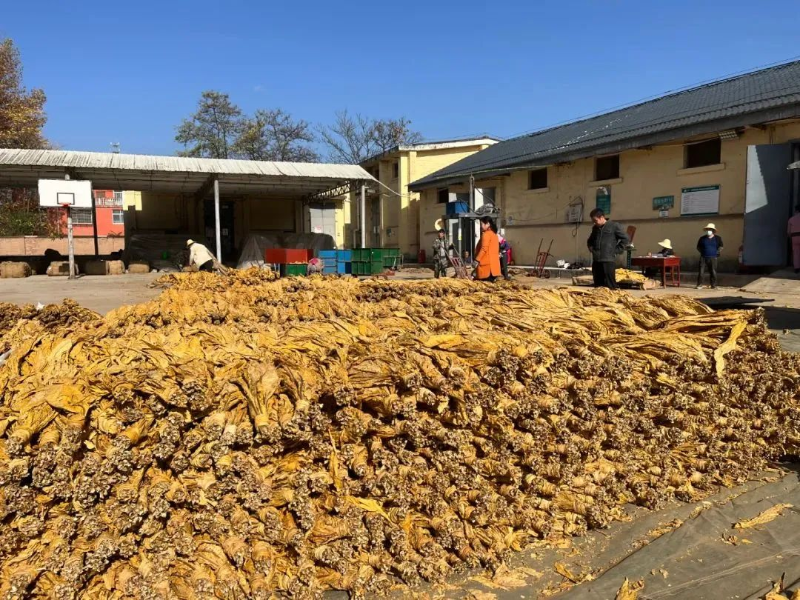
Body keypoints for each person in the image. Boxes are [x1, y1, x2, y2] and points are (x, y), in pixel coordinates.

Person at [586, 208, 629, 289]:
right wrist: (591, 249)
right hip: (596, 262)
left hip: (608, 261)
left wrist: (616, 250)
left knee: (611, 286)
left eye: (595, 220)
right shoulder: (595, 228)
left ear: (602, 217)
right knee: (598, 286)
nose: (594, 222)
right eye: (593, 221)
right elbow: (590, 241)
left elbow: (626, 239)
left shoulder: (614, 226)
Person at [474, 216, 502, 282]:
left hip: (486, 268)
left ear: (488, 224)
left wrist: (477, 260)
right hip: (494, 267)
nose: (481, 226)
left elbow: (484, 249)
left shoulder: (486, 234)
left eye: (482, 224)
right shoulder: (494, 234)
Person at [696, 223, 723, 289]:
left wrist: (717, 252)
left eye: (710, 229)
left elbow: (721, 246)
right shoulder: (702, 238)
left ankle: (713, 285)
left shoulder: (718, 238)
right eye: (707, 229)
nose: (708, 231)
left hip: (713, 257)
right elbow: (698, 247)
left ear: (713, 230)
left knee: (713, 272)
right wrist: (702, 252)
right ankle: (699, 285)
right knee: (701, 271)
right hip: (703, 257)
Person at [788, 206, 800, 274]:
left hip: (794, 237)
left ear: (796, 210)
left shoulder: (791, 219)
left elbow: (789, 232)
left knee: (796, 253)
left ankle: (796, 268)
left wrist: (790, 238)